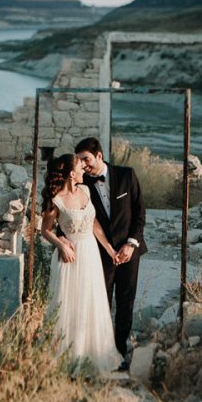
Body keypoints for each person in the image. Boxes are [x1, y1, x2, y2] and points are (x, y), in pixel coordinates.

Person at [40, 153, 123, 373]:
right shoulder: (56, 199)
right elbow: (44, 230)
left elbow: (93, 223)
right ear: (71, 174)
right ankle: (69, 358)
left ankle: (93, 353)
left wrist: (108, 248)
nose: (85, 169)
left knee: (92, 301)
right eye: (80, 166)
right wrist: (62, 245)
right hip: (71, 256)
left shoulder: (85, 191)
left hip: (91, 254)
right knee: (70, 304)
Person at [73, 136, 145, 369]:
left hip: (129, 252)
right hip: (100, 255)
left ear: (99, 156)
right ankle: (102, 353)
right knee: (100, 302)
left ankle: (120, 351)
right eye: (79, 161)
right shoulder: (82, 186)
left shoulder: (127, 175)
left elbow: (139, 214)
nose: (83, 165)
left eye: (86, 159)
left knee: (126, 301)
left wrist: (131, 244)